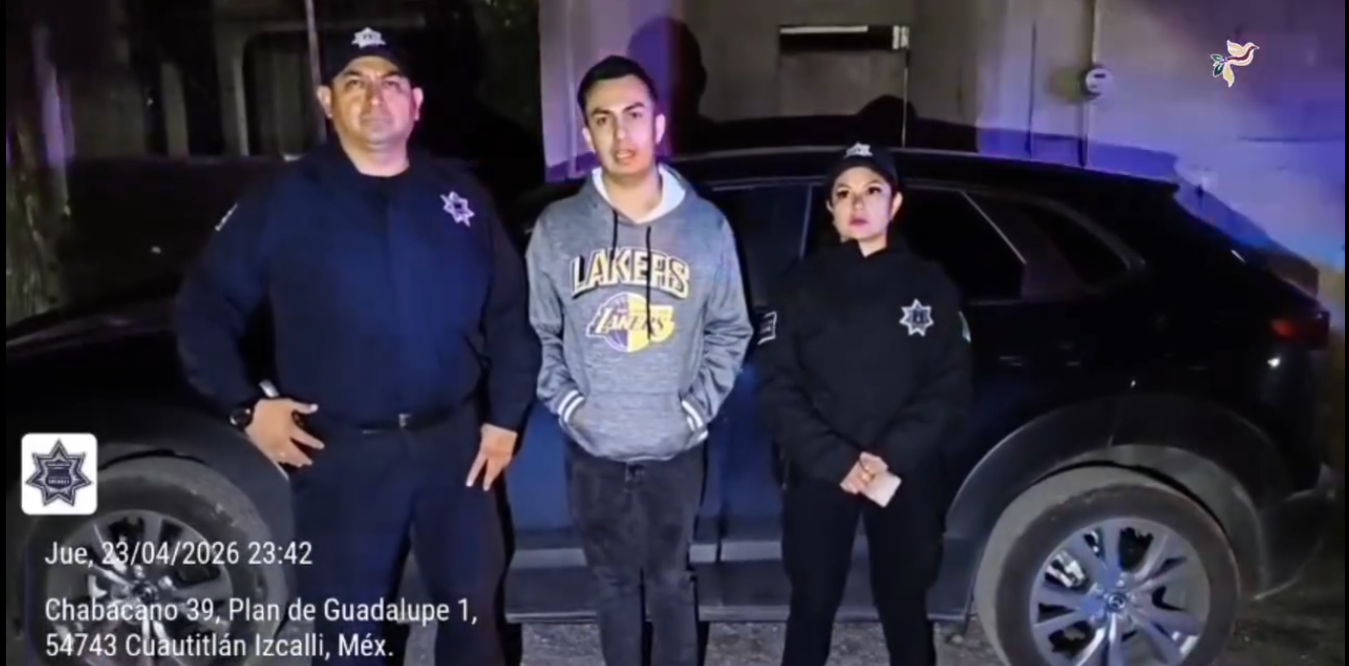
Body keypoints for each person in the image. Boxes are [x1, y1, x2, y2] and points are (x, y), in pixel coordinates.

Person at [173, 27, 539, 666]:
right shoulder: (283, 202)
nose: (375, 96)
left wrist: (505, 419)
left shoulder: (460, 199)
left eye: (391, 82)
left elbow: (510, 314)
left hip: (454, 449)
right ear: (326, 100)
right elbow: (204, 308)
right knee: (349, 636)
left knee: (473, 622)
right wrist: (245, 407)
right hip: (342, 454)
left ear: (415, 103)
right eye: (355, 82)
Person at [525, 55, 752, 666]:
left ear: (658, 124)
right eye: (603, 119)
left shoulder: (706, 228)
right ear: (586, 132)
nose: (620, 133)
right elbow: (539, 330)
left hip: (675, 449)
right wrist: (573, 407)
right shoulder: (558, 229)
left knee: (672, 583)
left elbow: (730, 328)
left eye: (633, 114)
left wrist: (693, 411)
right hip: (593, 451)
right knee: (611, 585)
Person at [756, 143, 973, 666]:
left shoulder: (930, 284)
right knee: (811, 602)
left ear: (894, 203)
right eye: (844, 193)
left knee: (904, 603)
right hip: (822, 470)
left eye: (872, 190)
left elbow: (950, 385)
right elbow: (776, 385)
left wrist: (889, 455)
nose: (858, 203)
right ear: (830, 208)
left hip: (904, 470)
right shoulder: (799, 285)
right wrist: (836, 460)